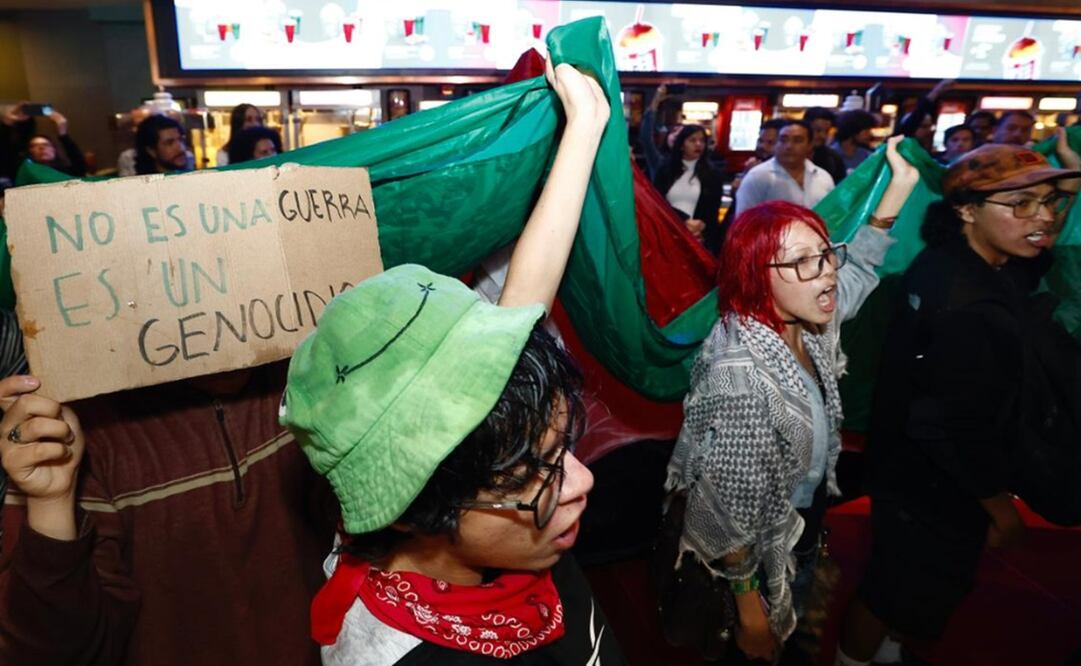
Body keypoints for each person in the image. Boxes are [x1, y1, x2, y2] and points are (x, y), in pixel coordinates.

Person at [280, 61, 625, 665]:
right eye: (533, 475)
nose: (581, 479)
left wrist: (584, 128)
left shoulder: (488, 505)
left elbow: (526, 300)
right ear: (419, 508)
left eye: (562, 449)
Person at [666, 135, 918, 664]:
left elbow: (854, 275)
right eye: (804, 262)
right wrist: (752, 615)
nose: (825, 270)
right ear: (757, 278)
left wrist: (898, 191)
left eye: (826, 253)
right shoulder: (744, 375)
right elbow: (725, 515)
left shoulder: (807, 322)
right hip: (753, 550)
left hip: (798, 519)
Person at [835, 136, 1081, 666]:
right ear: (967, 211)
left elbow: (1046, 260)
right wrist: (1001, 511)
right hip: (934, 483)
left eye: (1050, 202)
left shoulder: (964, 260)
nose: (1044, 218)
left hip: (918, 469)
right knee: (892, 590)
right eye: (1019, 204)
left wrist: (1068, 184)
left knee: (907, 586)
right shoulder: (964, 303)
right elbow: (950, 426)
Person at [735, 119, 835, 216]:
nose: (789, 146)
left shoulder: (823, 177)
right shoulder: (758, 176)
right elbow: (742, 222)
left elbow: (833, 217)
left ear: (810, 145)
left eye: (797, 140)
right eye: (783, 140)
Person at [652, 124, 724, 244]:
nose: (698, 144)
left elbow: (712, 213)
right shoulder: (665, 170)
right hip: (667, 234)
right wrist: (683, 220)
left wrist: (703, 232)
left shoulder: (713, 174)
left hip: (697, 239)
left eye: (702, 140)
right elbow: (656, 203)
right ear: (681, 145)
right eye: (692, 140)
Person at [895, 79, 954, 154]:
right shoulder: (896, 145)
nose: (927, 130)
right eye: (923, 126)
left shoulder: (928, 151)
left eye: (929, 126)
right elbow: (917, 116)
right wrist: (936, 92)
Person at [804, 107, 848, 185]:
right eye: (817, 130)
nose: (823, 136)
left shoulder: (833, 159)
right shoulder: (790, 155)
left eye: (826, 131)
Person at [830, 110, 876, 175]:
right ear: (852, 131)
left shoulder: (868, 156)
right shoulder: (831, 155)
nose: (869, 135)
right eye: (866, 131)